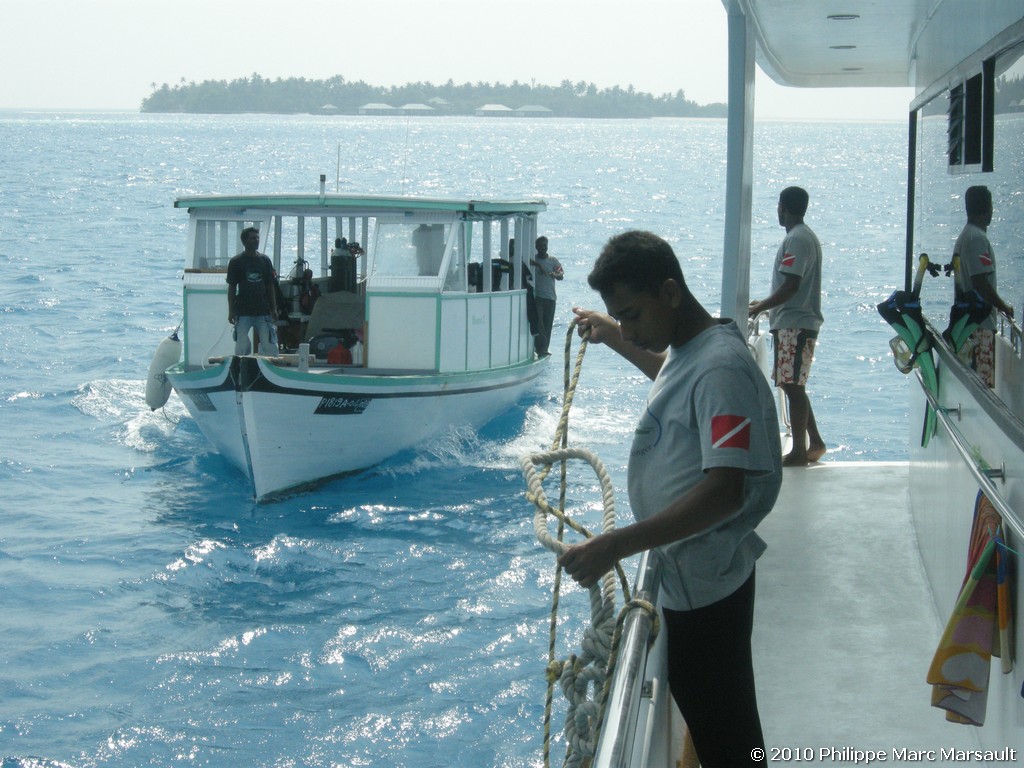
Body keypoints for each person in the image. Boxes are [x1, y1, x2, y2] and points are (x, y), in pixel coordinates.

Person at [559, 230, 781, 767]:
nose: (631, 330)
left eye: (633, 315)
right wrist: (613, 335)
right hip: (690, 579)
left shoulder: (722, 369)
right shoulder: (692, 351)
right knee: (717, 728)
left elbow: (724, 492)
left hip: (707, 589)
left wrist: (618, 545)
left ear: (671, 293)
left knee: (728, 736)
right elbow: (671, 375)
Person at [748, 186, 826, 466]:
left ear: (783, 207)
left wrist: (760, 307)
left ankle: (799, 452)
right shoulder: (804, 237)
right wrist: (767, 302)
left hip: (795, 324)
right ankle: (814, 442)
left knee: (793, 386)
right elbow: (790, 284)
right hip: (795, 322)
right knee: (795, 385)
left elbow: (791, 285)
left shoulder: (796, 240)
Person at [950, 185, 1013, 388]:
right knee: (983, 384)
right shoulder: (976, 238)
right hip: (980, 327)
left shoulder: (966, 236)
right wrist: (1003, 306)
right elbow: (980, 282)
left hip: (969, 325)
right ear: (987, 208)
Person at [226, 227, 280, 355]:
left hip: (263, 310)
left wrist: (274, 308)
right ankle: (242, 366)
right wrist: (231, 311)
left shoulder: (265, 260)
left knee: (268, 342)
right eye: (252, 238)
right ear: (244, 242)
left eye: (257, 238)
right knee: (242, 343)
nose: (256, 240)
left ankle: (273, 367)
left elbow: (270, 286)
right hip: (243, 311)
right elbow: (232, 288)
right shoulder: (236, 262)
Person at [530, 235, 564, 356]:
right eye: (540, 246)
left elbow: (561, 274)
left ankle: (544, 349)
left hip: (550, 298)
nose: (542, 248)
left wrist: (555, 274)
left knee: (547, 324)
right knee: (540, 324)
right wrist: (538, 266)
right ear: (536, 247)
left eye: (544, 245)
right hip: (538, 297)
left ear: (547, 246)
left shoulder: (553, 260)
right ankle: (540, 348)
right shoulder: (533, 260)